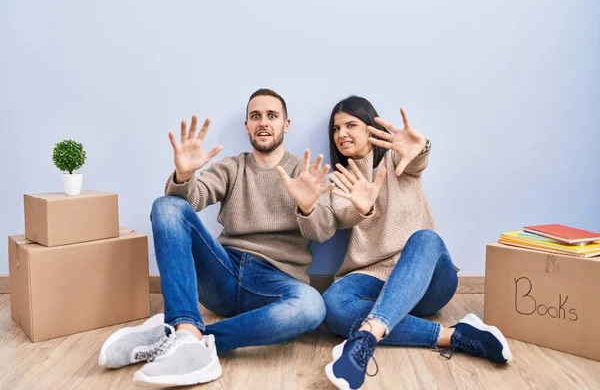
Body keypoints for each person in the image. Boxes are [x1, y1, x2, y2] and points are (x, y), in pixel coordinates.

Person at [98, 89, 337, 387]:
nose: (263, 122)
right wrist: (184, 176)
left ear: (286, 124)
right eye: (255, 116)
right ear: (247, 126)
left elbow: (324, 231)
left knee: (312, 307)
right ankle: (185, 327)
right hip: (223, 272)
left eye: (272, 116)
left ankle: (186, 337)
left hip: (275, 282)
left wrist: (307, 205)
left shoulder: (307, 173)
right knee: (167, 205)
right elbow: (190, 201)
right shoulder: (232, 167)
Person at [322, 96, 512, 390]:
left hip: (428, 280)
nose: (341, 134)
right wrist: (363, 207)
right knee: (332, 305)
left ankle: (366, 336)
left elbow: (417, 159)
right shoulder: (341, 179)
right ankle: (454, 335)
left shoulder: (396, 158)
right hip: (373, 279)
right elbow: (344, 214)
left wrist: (421, 147)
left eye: (351, 125)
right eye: (336, 129)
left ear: (371, 128)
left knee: (426, 239)